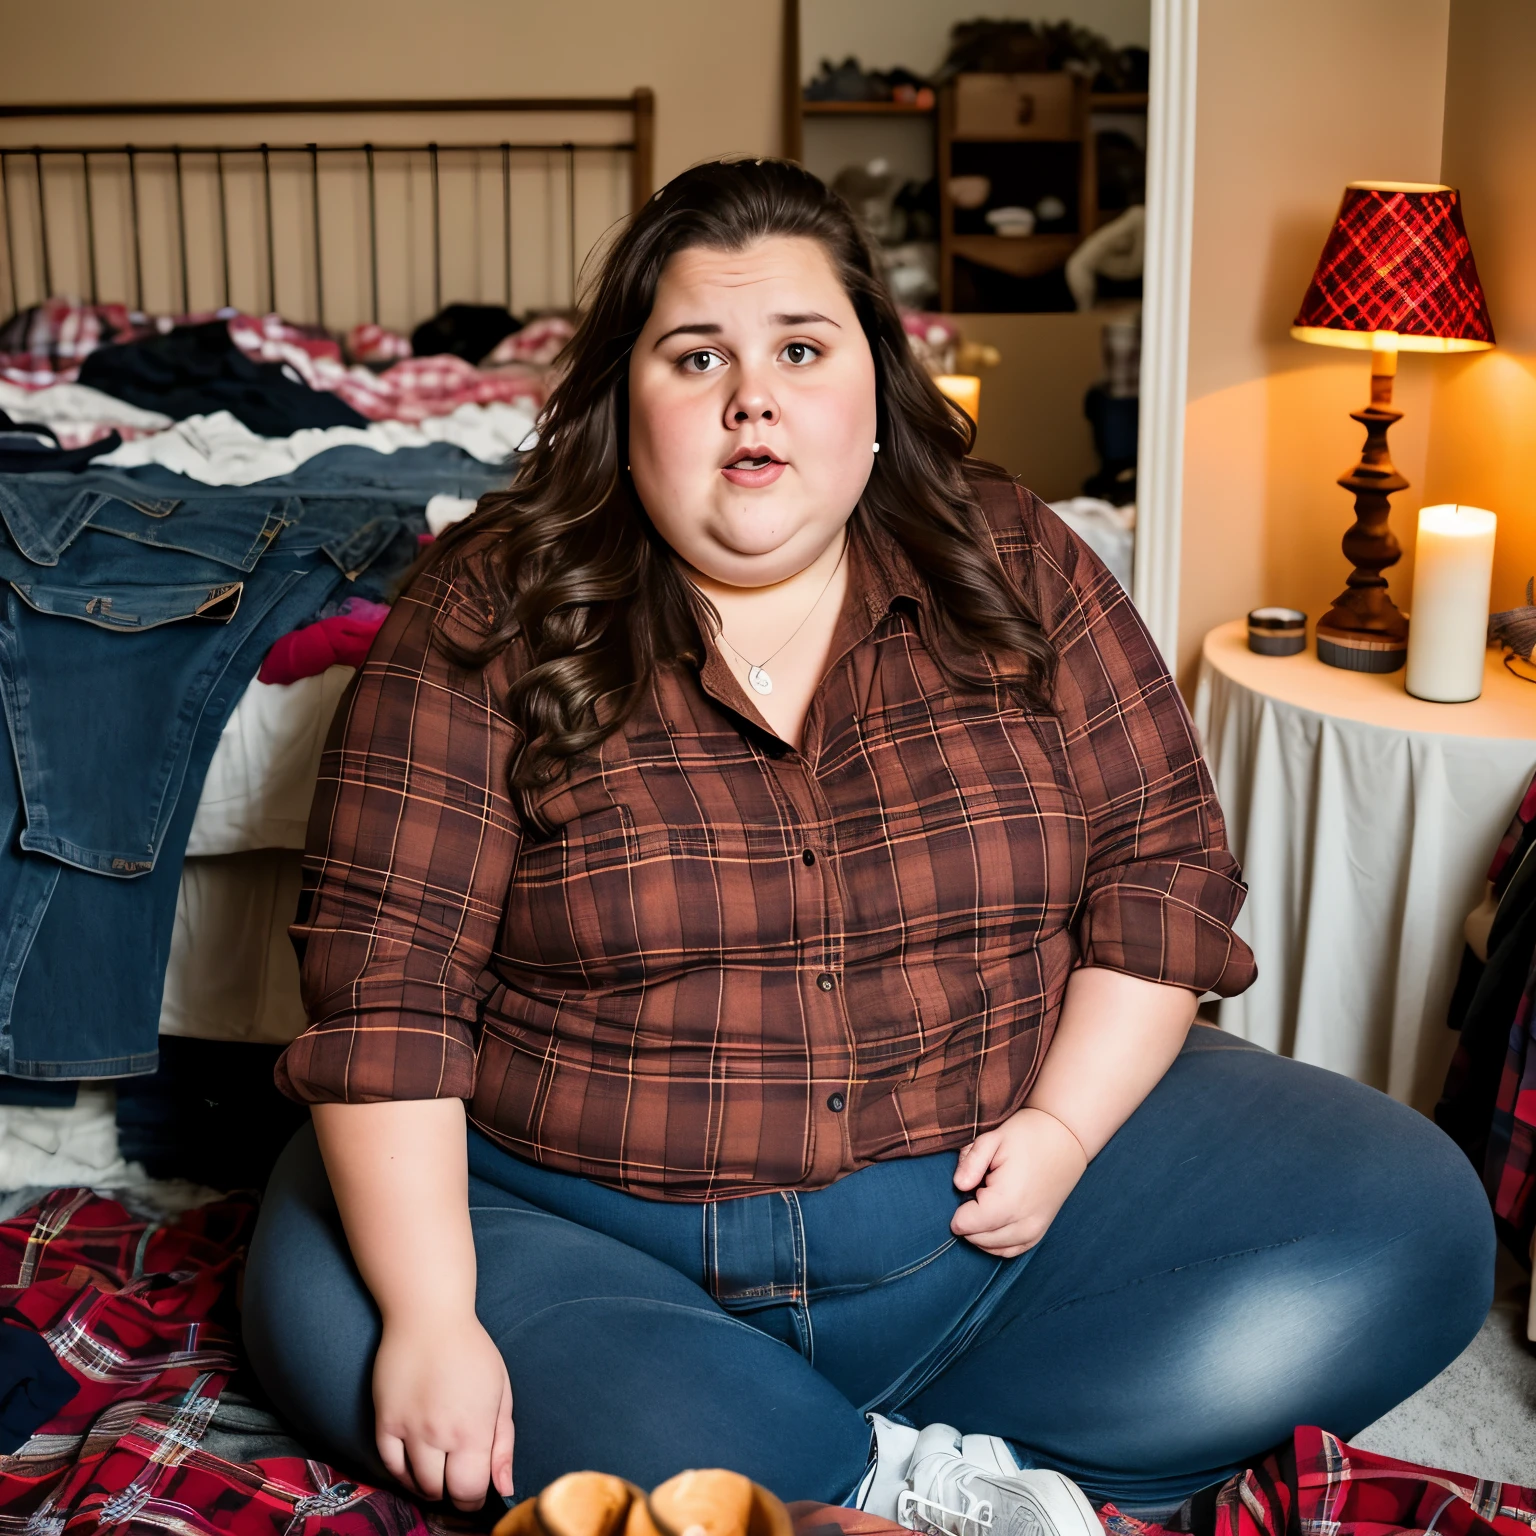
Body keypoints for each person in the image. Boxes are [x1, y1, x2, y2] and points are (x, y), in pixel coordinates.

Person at [243, 158, 1493, 1530]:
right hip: (585, 1235)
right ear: (622, 403)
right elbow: (387, 991)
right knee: (336, 1302)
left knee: (1411, 1221)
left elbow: (1164, 874)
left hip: (988, 1223)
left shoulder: (1019, 556)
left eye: (799, 347)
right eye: (694, 355)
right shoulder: (483, 605)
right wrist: (430, 1313)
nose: (751, 395)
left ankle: (840, 1463)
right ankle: (871, 1478)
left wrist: (1069, 1132)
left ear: (875, 389)